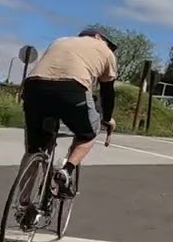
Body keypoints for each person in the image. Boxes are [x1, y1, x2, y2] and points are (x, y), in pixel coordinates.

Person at [20, 27, 118, 199]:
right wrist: (107, 118)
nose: (110, 47)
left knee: (34, 149)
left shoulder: (60, 41)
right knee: (89, 133)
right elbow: (107, 93)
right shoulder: (106, 51)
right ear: (97, 37)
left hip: (33, 87)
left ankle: (23, 203)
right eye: (109, 43)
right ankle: (66, 171)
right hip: (72, 89)